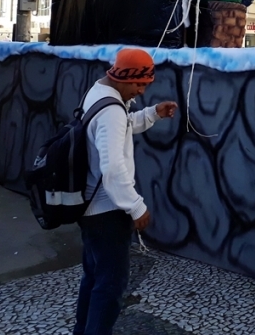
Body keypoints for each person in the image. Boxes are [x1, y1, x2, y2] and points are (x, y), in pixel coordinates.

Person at [74, 48, 178, 335]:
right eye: (138, 84)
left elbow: (121, 126)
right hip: (106, 211)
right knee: (110, 287)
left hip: (89, 205)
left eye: (146, 85)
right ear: (122, 77)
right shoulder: (112, 111)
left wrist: (152, 114)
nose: (141, 90)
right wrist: (135, 205)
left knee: (94, 278)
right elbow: (112, 166)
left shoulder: (99, 93)